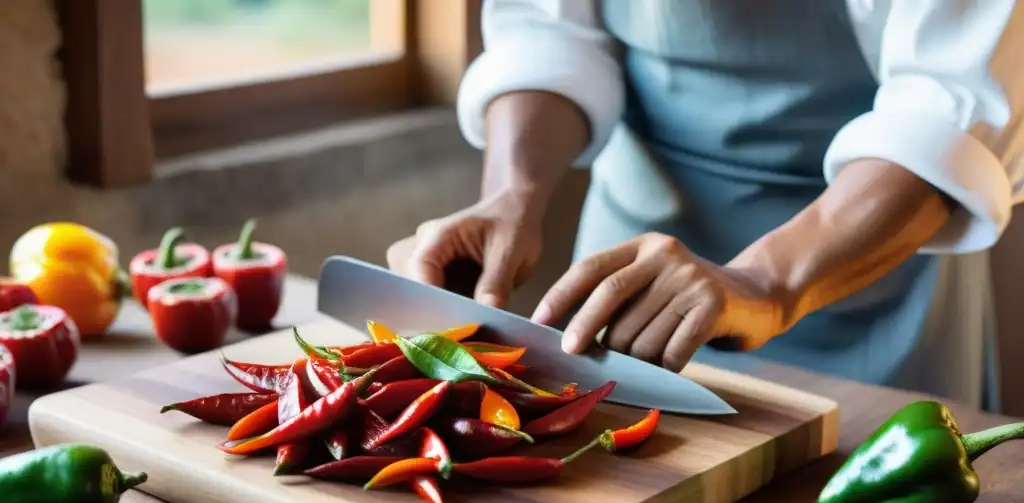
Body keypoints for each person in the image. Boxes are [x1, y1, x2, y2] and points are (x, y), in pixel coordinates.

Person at [387, 1, 1024, 410]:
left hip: (868, 270)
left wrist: (765, 282)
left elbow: (950, 111)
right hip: (627, 278)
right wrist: (512, 193)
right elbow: (550, 31)